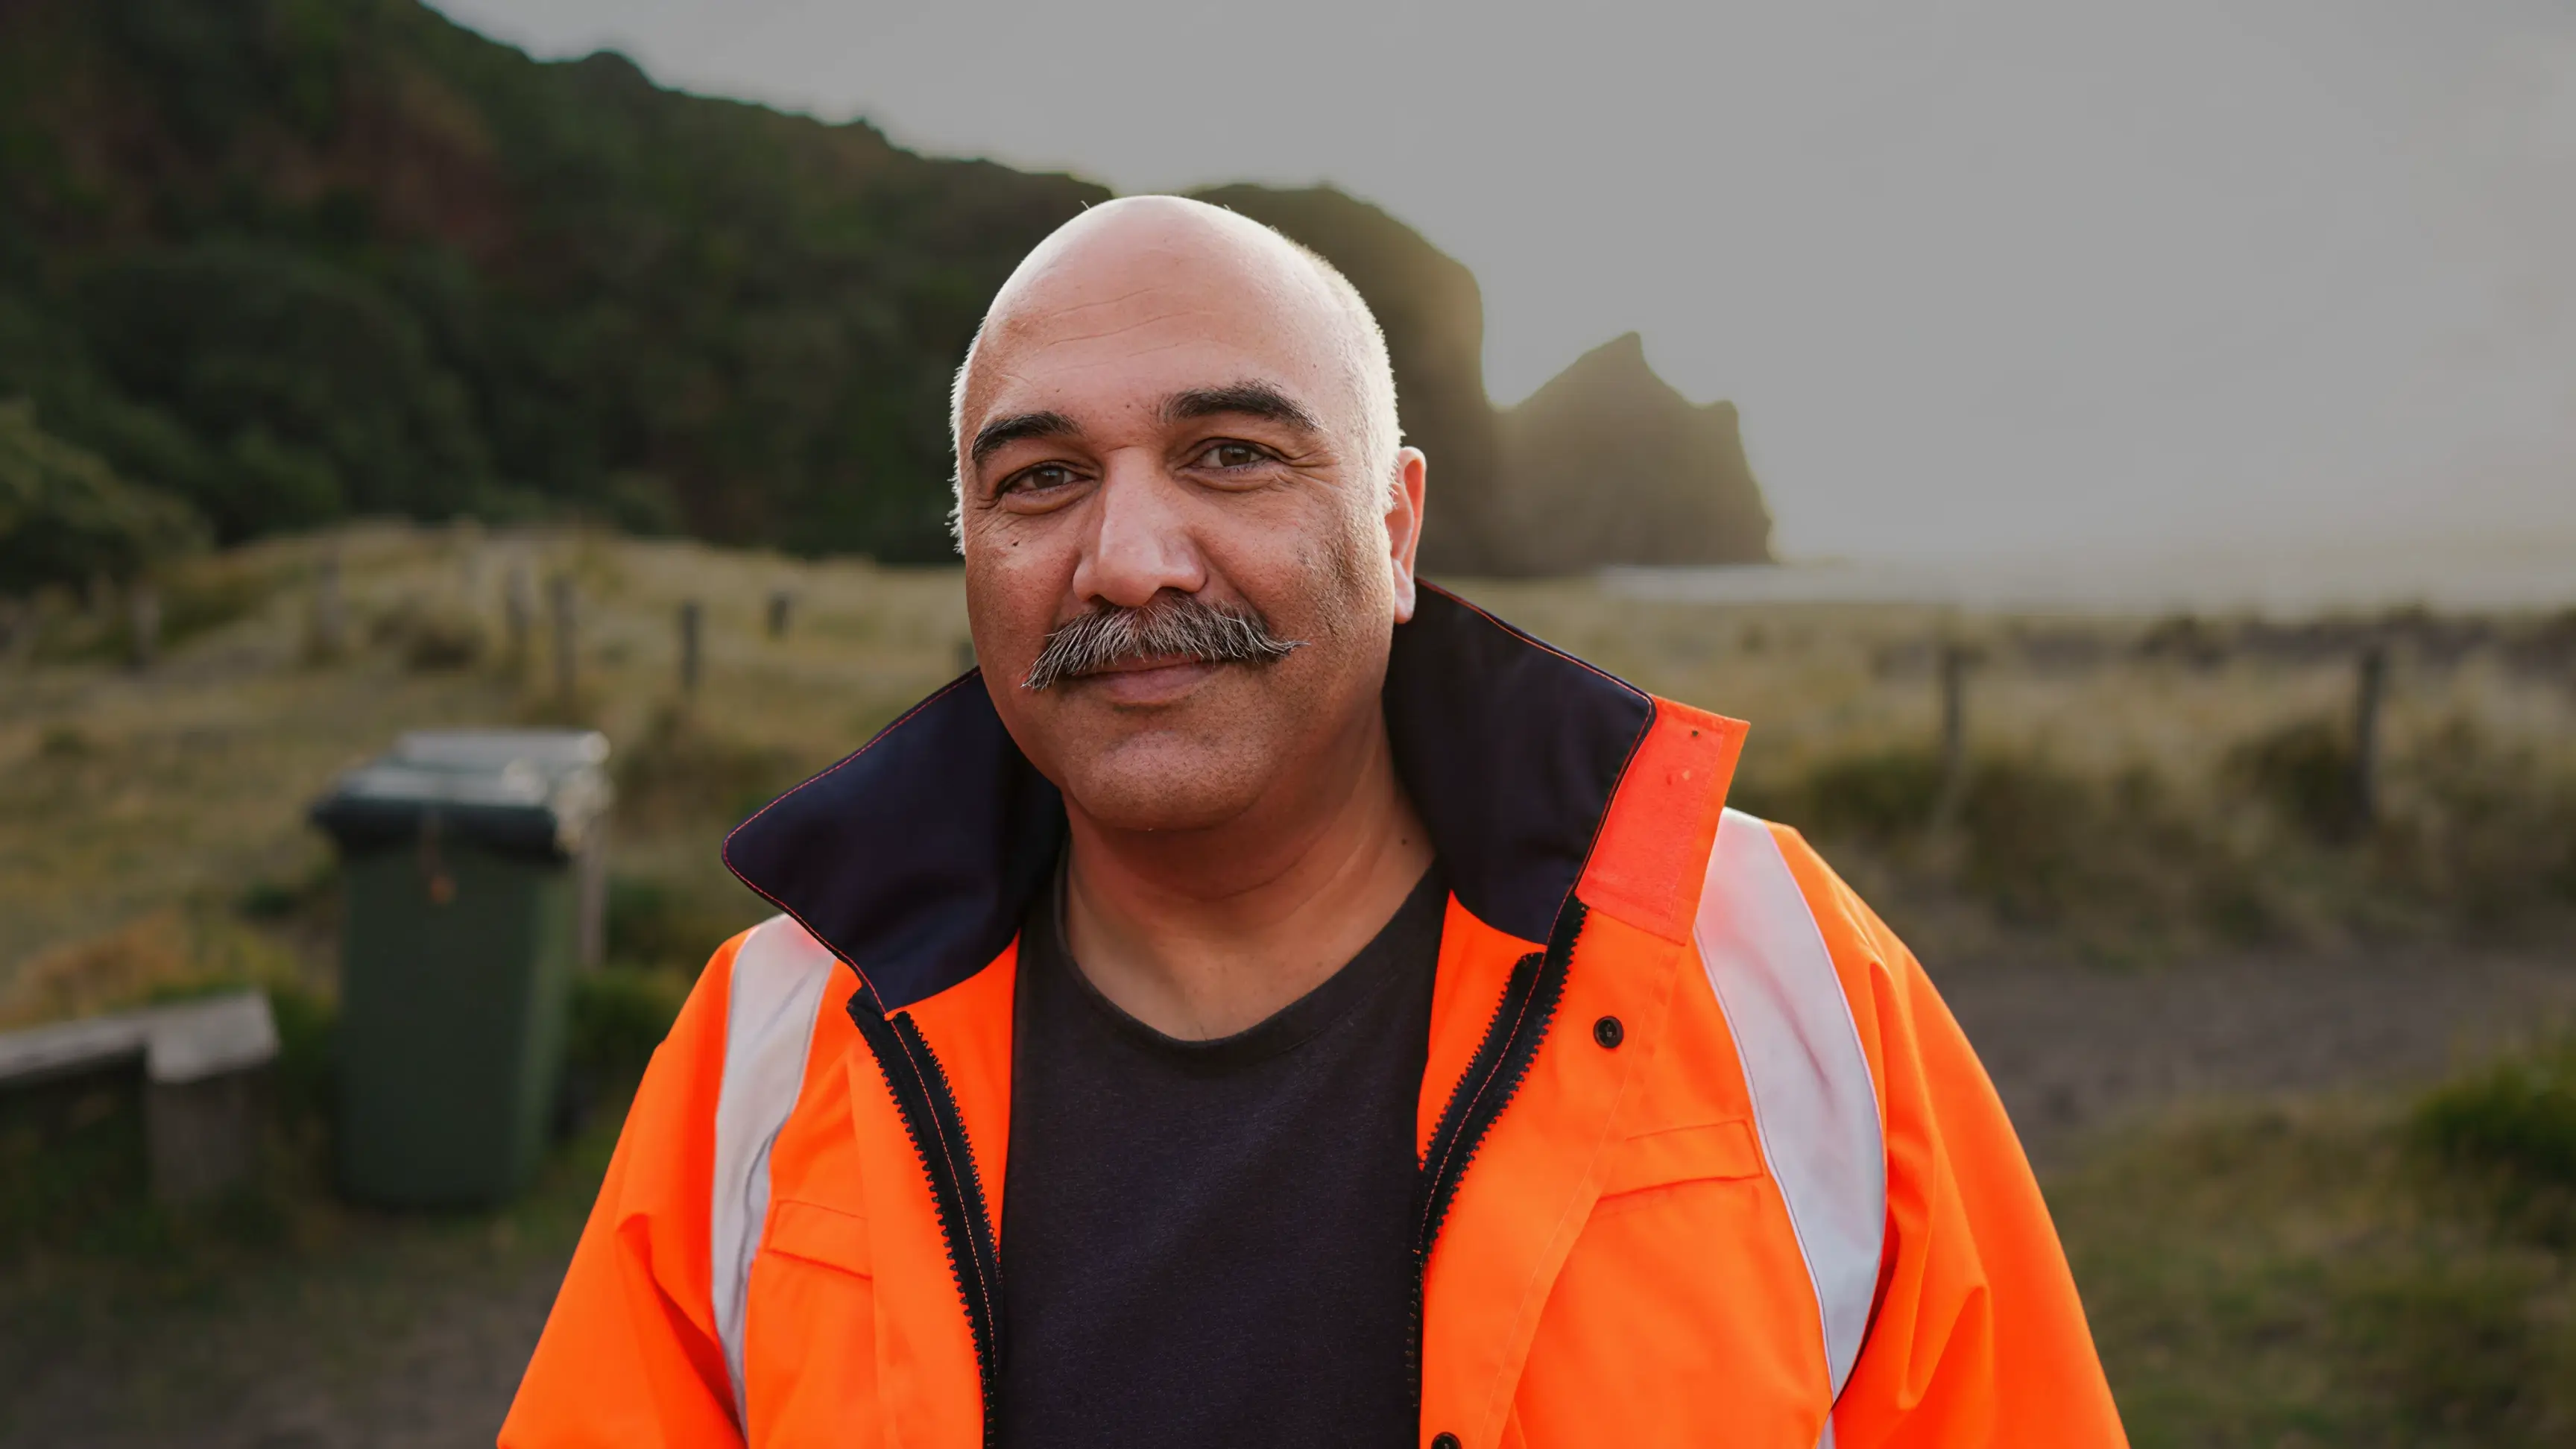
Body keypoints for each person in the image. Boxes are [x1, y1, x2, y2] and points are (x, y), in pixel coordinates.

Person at [502, 196, 2126, 1448]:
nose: (1129, 558)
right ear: (972, 551)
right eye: (1041, 480)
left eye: (1229, 453)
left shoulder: (1782, 977)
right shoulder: (771, 1051)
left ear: (1398, 526)